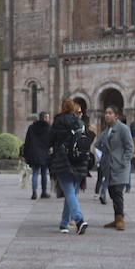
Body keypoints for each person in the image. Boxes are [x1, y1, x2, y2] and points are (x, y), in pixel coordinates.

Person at [48, 98, 90, 235]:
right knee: (70, 193)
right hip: (80, 161)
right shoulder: (79, 122)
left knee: (69, 193)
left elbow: (50, 140)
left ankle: (78, 219)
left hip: (63, 160)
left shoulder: (58, 121)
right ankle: (64, 223)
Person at [93, 107, 134, 230]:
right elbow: (98, 144)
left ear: (116, 116)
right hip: (109, 167)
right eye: (105, 113)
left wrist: (123, 161)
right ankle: (117, 218)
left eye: (110, 113)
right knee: (111, 192)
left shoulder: (123, 129)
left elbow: (130, 148)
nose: (107, 115)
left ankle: (120, 219)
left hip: (120, 167)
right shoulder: (106, 131)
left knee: (117, 192)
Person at [22, 112, 52, 199]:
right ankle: (43, 192)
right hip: (44, 154)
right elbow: (51, 141)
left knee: (35, 173)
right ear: (45, 118)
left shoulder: (31, 127)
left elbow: (27, 141)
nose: (48, 119)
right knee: (44, 174)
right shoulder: (48, 128)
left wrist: (25, 154)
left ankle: (34, 192)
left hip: (34, 153)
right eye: (48, 117)